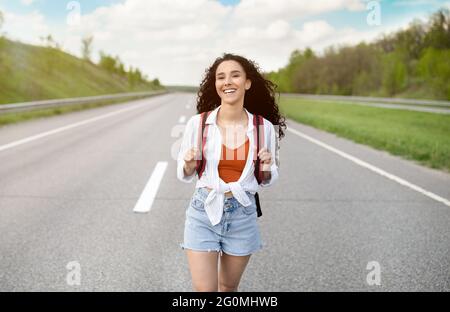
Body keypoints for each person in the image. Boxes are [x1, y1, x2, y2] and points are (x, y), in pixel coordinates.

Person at [177, 53, 286, 292]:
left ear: (247, 82)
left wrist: (266, 167)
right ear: (215, 85)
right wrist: (189, 164)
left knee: (227, 288)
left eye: (235, 75)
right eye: (221, 77)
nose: (227, 81)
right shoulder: (198, 124)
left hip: (242, 214)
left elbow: (267, 180)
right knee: (205, 291)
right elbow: (184, 173)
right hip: (203, 211)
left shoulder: (264, 128)